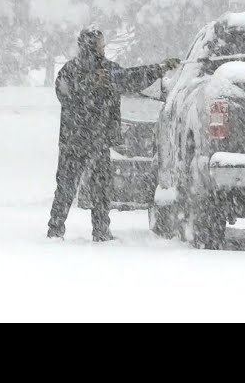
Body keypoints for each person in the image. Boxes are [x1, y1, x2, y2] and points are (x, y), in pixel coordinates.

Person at [47, 28, 180, 241]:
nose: (103, 46)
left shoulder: (90, 71)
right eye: (100, 43)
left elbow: (132, 77)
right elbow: (65, 94)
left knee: (83, 186)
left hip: (78, 140)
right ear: (92, 45)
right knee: (81, 187)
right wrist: (89, 85)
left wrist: (159, 69)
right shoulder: (81, 72)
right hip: (88, 140)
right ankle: (84, 230)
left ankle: (69, 229)